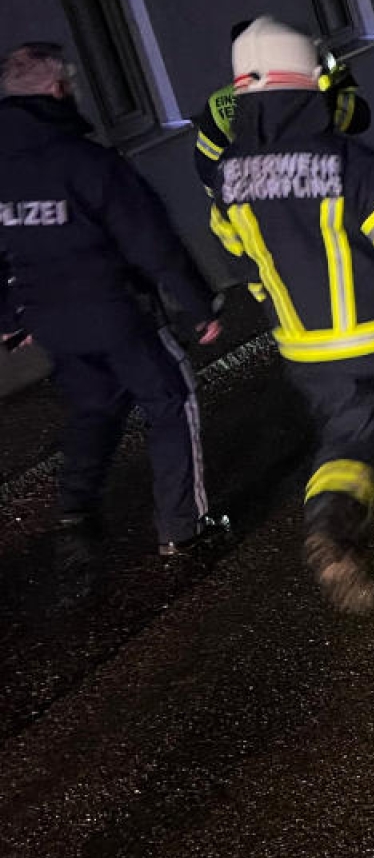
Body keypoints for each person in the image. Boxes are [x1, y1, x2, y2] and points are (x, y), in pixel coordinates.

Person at [209, 17, 374, 611]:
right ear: (308, 81)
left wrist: (280, 308)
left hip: (306, 348)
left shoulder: (227, 176)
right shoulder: (350, 163)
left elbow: (241, 261)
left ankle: (330, 526)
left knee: (348, 439)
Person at [0, 42, 224, 554]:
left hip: (48, 318)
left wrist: (10, 316)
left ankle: (75, 507)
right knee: (172, 400)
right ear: (58, 89)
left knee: (94, 402)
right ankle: (182, 527)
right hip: (116, 313)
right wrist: (198, 305)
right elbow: (151, 240)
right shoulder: (89, 163)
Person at [192, 21, 369, 197]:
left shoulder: (219, 104)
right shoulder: (302, 88)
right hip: (314, 191)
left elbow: (209, 175)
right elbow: (359, 119)